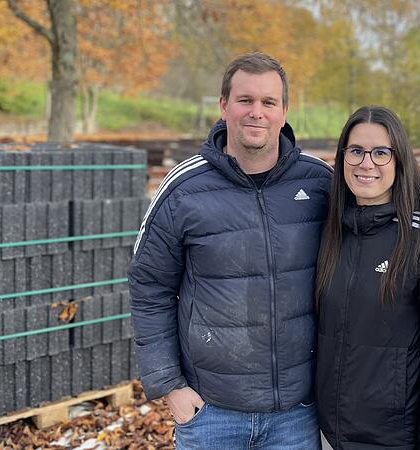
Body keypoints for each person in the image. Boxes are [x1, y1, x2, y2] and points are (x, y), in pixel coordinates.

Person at [128, 52, 332, 449]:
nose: (257, 112)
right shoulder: (183, 188)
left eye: (268, 102)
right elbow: (148, 287)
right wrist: (170, 386)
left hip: (297, 415)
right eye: (245, 100)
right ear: (224, 106)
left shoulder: (319, 182)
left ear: (285, 110)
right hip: (211, 415)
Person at [315, 106, 420, 450]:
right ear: (341, 159)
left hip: (392, 440)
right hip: (324, 435)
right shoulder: (329, 232)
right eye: (355, 151)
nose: (366, 163)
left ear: (400, 161)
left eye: (381, 153)